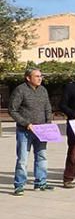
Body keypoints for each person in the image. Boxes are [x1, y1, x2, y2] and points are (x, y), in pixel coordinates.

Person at [10, 67, 54, 195]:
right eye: (37, 76)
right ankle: (19, 185)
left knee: (42, 156)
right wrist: (25, 123)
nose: (40, 78)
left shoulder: (43, 90)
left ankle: (40, 182)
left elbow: (48, 108)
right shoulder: (20, 90)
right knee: (23, 159)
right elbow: (13, 110)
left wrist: (48, 124)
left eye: (41, 76)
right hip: (25, 131)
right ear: (28, 78)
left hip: (42, 130)